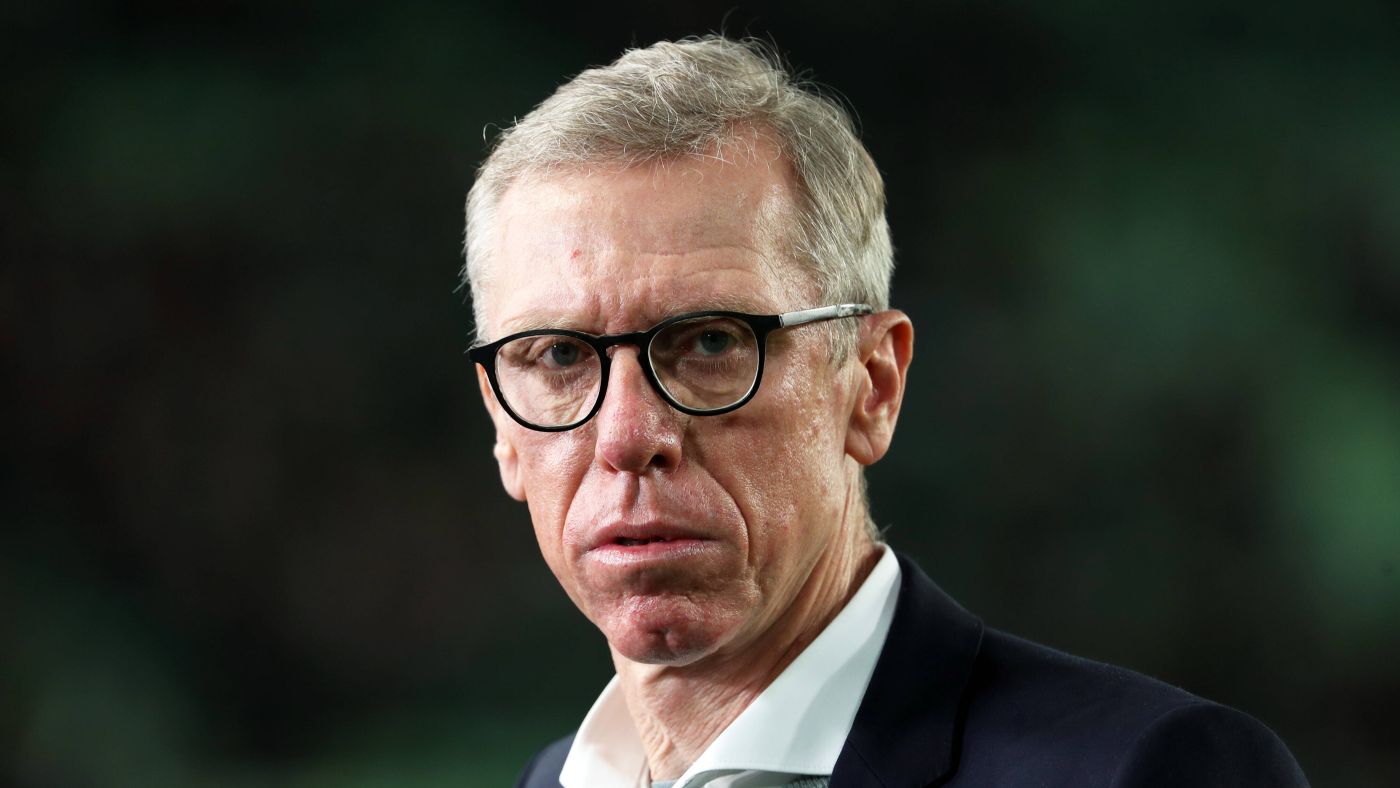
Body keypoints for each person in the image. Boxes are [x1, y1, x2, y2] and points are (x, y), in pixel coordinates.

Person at [461, 36, 1310, 788]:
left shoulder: (1150, 771)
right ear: (502, 427)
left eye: (712, 342)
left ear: (872, 385)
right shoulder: (550, 780)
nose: (627, 436)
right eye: (559, 356)